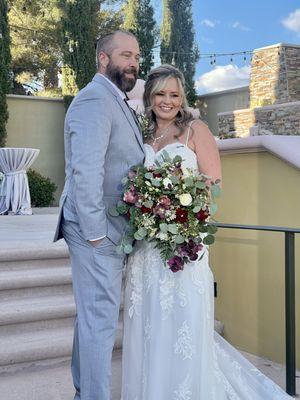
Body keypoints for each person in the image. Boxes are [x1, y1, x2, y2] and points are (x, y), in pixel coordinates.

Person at [121, 64, 292, 400]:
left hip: (184, 243)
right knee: (149, 321)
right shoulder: (142, 135)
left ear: (182, 97)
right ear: (149, 96)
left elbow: (213, 188)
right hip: (146, 248)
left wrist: (181, 219)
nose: (167, 101)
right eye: (160, 94)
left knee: (183, 321)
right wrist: (145, 208)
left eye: (174, 94)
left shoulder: (195, 130)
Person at [53, 30, 145, 400]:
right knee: (100, 323)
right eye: (125, 55)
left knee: (92, 320)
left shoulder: (116, 99)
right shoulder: (94, 99)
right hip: (97, 230)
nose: (134, 62)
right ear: (103, 59)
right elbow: (85, 171)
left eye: (137, 56)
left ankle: (83, 393)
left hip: (109, 228)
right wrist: (96, 234)